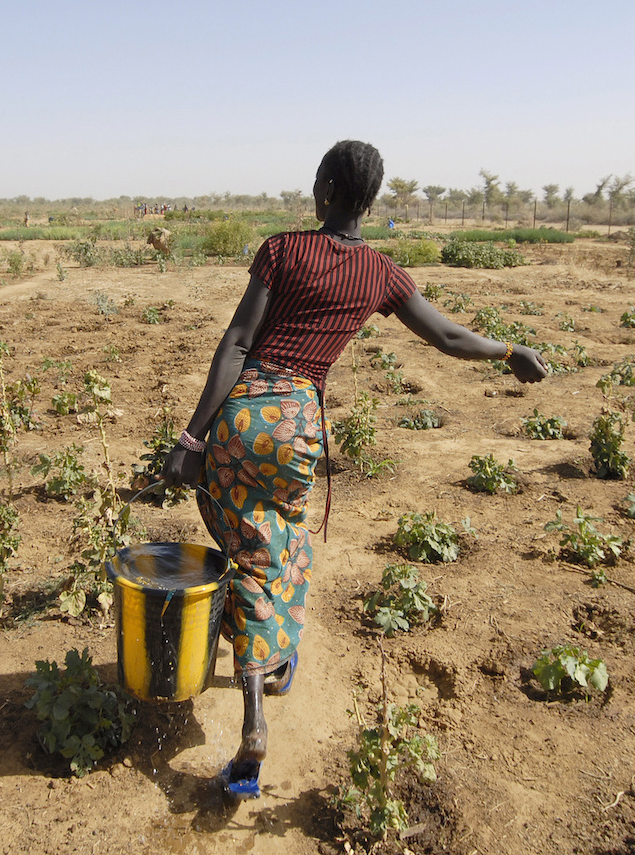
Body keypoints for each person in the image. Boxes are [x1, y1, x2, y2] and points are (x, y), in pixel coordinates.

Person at [161, 140, 549, 797]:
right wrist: (509, 349)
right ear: (367, 199)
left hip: (242, 419)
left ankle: (254, 722)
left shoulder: (282, 250)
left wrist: (192, 439)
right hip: (297, 427)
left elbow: (237, 342)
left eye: (319, 180)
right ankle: (278, 658)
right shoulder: (382, 275)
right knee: (282, 544)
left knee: (246, 553)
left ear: (330, 189)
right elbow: (450, 337)